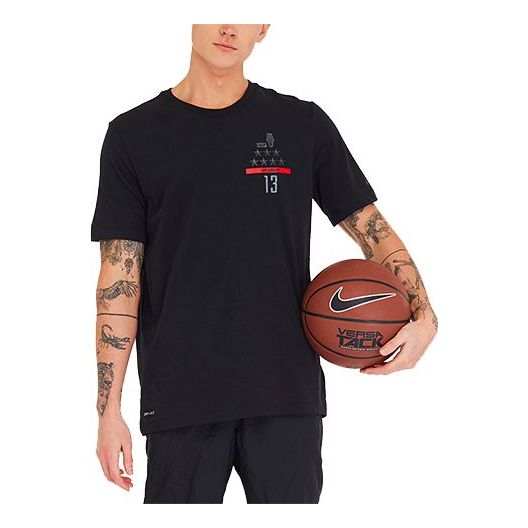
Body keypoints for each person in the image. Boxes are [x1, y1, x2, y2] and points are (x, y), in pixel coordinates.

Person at [90, 24, 438, 504]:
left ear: (263, 29)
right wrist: (108, 412)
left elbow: (370, 228)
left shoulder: (301, 124)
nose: (229, 27)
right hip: (181, 396)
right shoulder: (133, 135)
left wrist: (424, 314)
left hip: (285, 393)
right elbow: (119, 280)